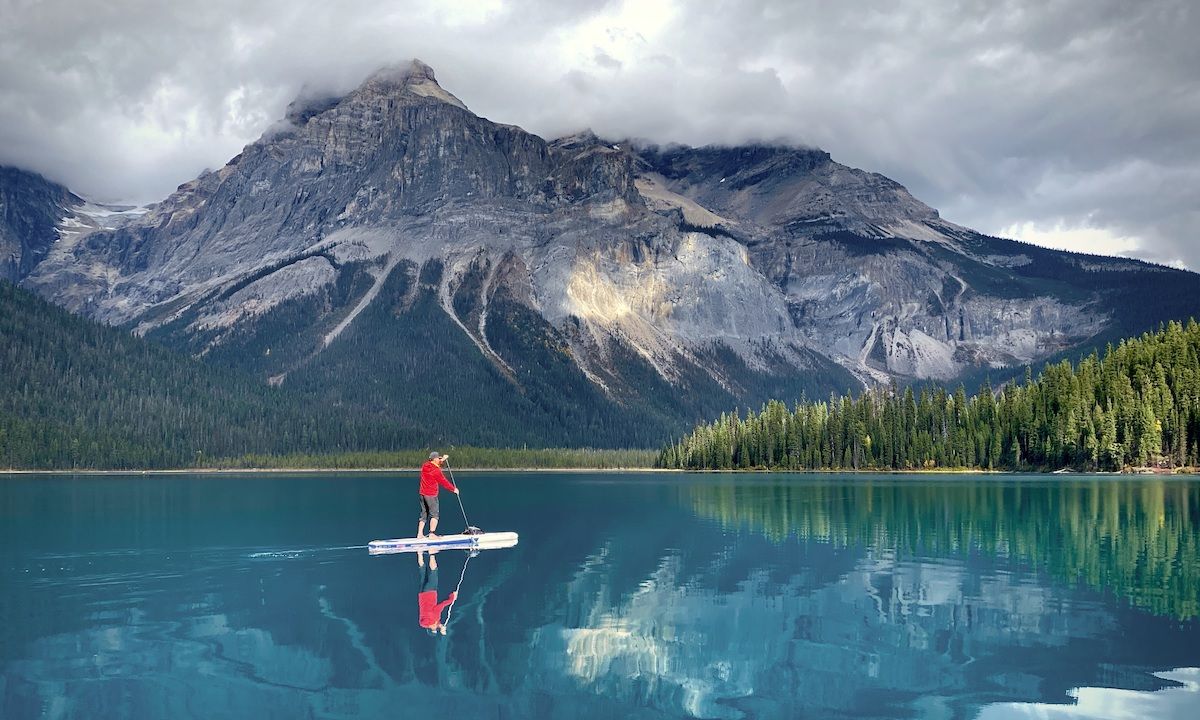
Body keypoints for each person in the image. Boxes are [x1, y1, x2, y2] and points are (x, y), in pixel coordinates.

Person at [418, 451, 458, 539]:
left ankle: (419, 534)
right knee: (435, 514)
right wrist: (454, 489)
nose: (439, 460)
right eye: (438, 458)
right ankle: (432, 534)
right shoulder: (436, 471)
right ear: (435, 459)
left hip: (422, 494)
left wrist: (442, 459)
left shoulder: (425, 466)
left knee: (424, 514)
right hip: (431, 495)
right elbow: (443, 482)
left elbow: (435, 464)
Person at [416, 550, 456, 635]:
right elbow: (432, 622)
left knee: (434, 570)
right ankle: (419, 552)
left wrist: (452, 597)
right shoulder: (423, 622)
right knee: (423, 571)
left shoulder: (434, 618)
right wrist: (441, 626)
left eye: (435, 629)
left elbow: (441, 606)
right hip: (422, 594)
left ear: (432, 628)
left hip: (430, 592)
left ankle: (432, 553)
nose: (435, 627)